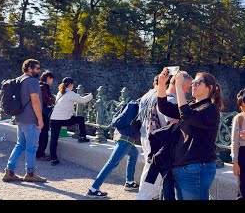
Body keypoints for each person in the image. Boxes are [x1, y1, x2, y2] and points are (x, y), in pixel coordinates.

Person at [157, 69, 223, 200]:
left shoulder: (210, 108)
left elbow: (186, 115)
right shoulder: (192, 105)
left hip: (197, 167)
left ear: (209, 88)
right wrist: (161, 84)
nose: (194, 85)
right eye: (193, 82)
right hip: (182, 167)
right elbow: (164, 108)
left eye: (198, 82)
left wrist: (178, 87)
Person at [137, 72, 192, 200]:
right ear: (178, 84)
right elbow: (174, 124)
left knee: (149, 172)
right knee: (154, 178)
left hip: (147, 136)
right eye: (187, 87)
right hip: (161, 145)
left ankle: (145, 195)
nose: (188, 91)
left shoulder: (150, 95)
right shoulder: (171, 100)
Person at [2, 59, 47, 182]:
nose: (39, 70)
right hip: (31, 119)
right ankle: (31, 174)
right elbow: (35, 101)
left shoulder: (20, 80)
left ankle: (9, 171)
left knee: (20, 144)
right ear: (29, 69)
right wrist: (40, 119)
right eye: (37, 68)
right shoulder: (32, 81)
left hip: (20, 118)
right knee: (32, 147)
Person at [86, 103, 142, 198]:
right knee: (112, 163)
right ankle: (93, 188)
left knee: (134, 153)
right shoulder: (141, 107)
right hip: (126, 139)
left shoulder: (133, 105)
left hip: (119, 135)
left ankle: (129, 182)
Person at [49, 77, 92, 166]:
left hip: (54, 119)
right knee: (80, 119)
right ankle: (82, 137)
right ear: (71, 84)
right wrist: (91, 95)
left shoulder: (60, 92)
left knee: (54, 139)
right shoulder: (70, 93)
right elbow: (83, 100)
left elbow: (66, 102)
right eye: (73, 84)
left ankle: (53, 159)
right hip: (64, 119)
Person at [36, 71, 55, 161]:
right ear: (48, 78)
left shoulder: (39, 85)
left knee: (40, 133)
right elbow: (47, 100)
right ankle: (40, 154)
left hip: (38, 112)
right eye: (52, 79)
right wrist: (51, 100)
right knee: (44, 134)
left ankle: (38, 153)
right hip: (43, 113)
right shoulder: (43, 87)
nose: (52, 81)